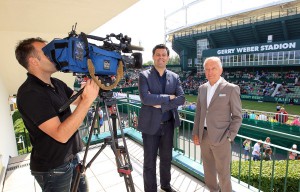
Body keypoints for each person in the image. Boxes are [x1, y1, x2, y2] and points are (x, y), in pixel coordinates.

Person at [15, 38, 99, 191]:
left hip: (72, 158)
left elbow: (78, 99)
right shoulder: (30, 93)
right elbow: (61, 135)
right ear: (33, 61)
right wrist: (87, 101)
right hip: (53, 168)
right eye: (47, 52)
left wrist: (93, 79)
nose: (54, 55)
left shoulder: (56, 83)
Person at [138, 44, 185, 192]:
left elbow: (181, 99)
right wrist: (168, 98)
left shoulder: (175, 77)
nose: (161, 57)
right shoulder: (144, 75)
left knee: (166, 159)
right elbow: (146, 98)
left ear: (168, 57)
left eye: (163, 55)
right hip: (151, 125)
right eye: (158, 54)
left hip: (168, 125)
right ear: (153, 56)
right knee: (149, 162)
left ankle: (165, 185)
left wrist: (162, 105)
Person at [192, 56, 242, 192]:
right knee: (208, 172)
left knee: (224, 174)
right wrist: (195, 132)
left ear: (221, 69)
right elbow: (199, 113)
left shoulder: (231, 89)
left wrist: (229, 137)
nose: (210, 71)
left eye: (213, 68)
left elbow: (237, 116)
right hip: (204, 136)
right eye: (207, 69)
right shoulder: (202, 88)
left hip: (222, 138)